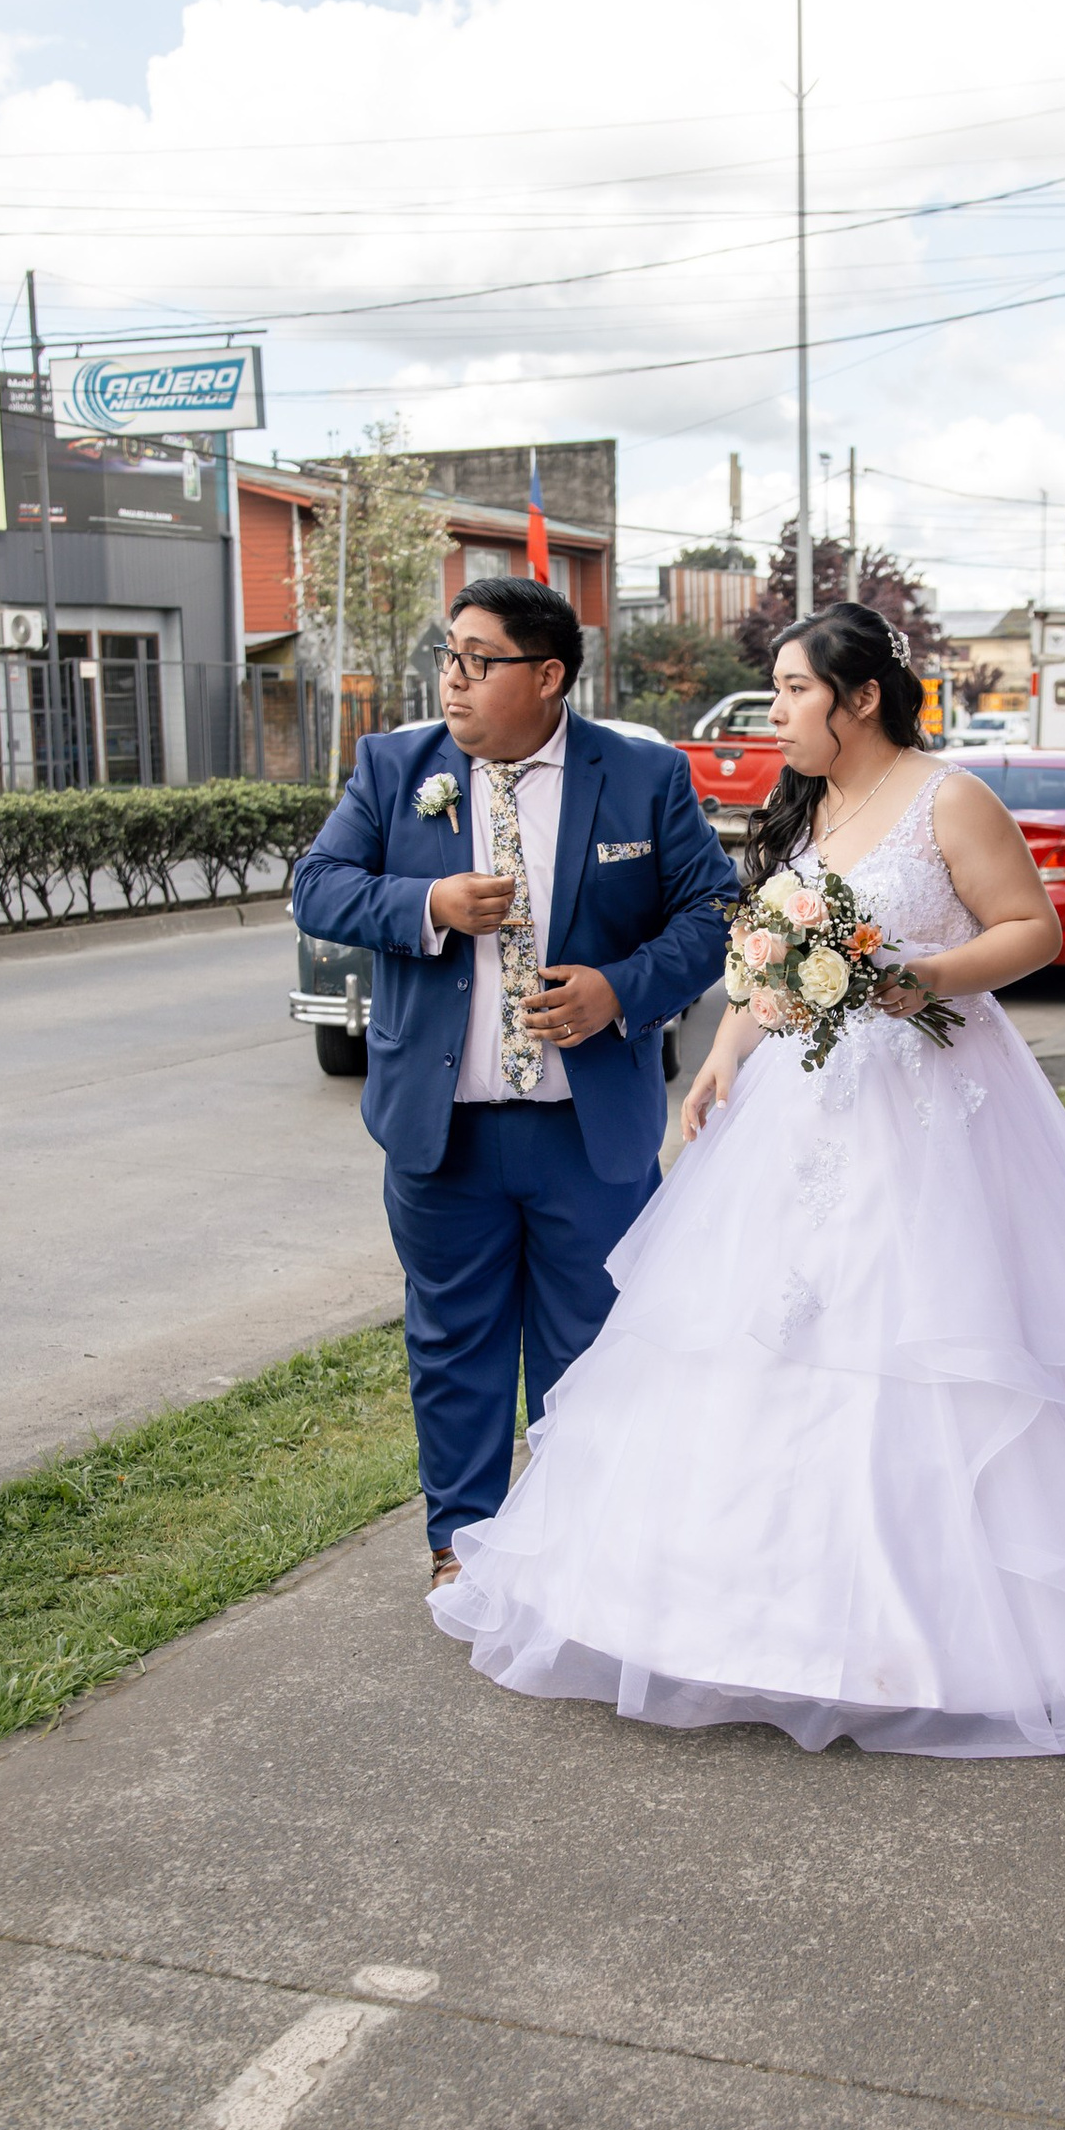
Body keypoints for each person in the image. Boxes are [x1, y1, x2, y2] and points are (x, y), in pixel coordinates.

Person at [432, 603, 1065, 1756]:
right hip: (796, 1108)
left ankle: (952, 1625)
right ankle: (742, 1609)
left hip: (929, 1108)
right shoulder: (809, 809)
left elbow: (1026, 928)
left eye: (790, 690)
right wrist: (725, 1057)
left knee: (937, 1344)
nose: (773, 713)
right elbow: (765, 966)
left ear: (858, 695)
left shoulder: (949, 798)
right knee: (758, 1342)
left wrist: (916, 976)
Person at [292, 574, 733, 1583]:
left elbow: (714, 914)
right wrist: (428, 901)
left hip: (590, 1128)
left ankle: (584, 1541)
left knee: (597, 1347)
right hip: (443, 1128)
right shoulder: (393, 766)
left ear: (546, 676)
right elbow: (317, 889)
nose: (451, 680)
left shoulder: (642, 776)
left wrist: (620, 991)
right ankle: (465, 1546)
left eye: (476, 660)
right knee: (453, 1346)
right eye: (446, 656)